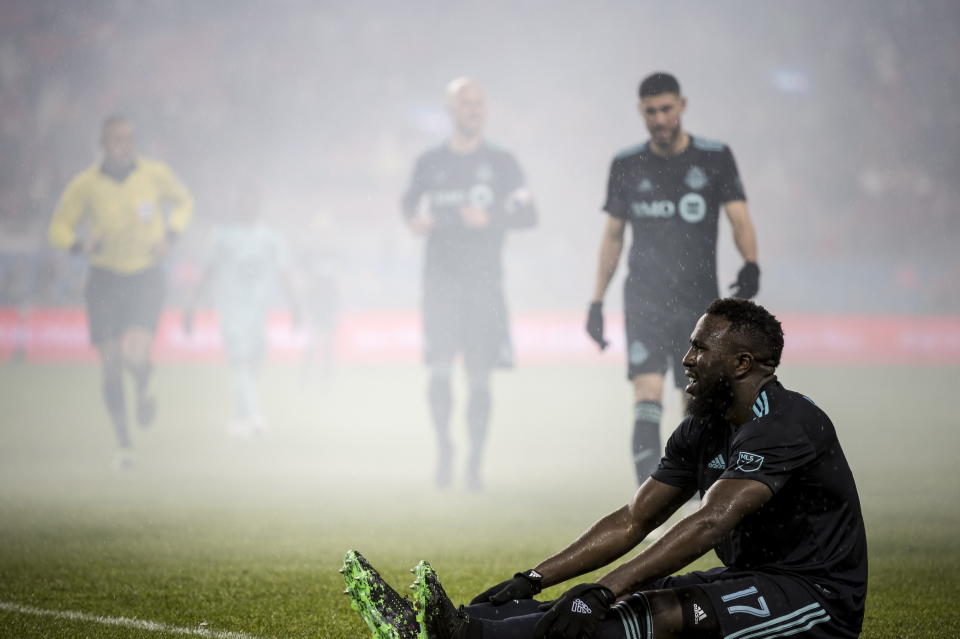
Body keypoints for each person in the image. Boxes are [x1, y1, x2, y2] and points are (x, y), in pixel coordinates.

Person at [342, 299, 868, 639]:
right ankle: (454, 629)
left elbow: (710, 522)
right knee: (629, 604)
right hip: (751, 577)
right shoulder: (703, 427)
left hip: (815, 597)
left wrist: (604, 588)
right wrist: (532, 578)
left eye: (699, 348)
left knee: (648, 616)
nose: (685, 358)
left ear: (742, 363)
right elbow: (636, 519)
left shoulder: (786, 422)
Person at [586, 72, 760, 485]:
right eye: (651, 112)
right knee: (646, 396)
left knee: (696, 402)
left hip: (699, 306)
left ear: (682, 105)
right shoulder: (627, 164)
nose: (660, 118)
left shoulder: (715, 158)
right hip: (644, 299)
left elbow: (739, 217)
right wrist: (596, 300)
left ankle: (697, 502)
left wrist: (750, 263)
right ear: (641, 113)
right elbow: (612, 236)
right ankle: (647, 508)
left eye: (666, 109)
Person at [401, 77, 537, 490]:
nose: (473, 109)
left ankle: (475, 461)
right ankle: (445, 447)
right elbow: (410, 202)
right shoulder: (430, 162)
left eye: (479, 103)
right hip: (440, 285)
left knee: (479, 378)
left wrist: (492, 218)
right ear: (450, 109)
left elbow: (529, 214)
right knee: (440, 374)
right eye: (465, 103)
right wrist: (415, 220)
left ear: (486, 110)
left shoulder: (502, 163)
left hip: (484, 288)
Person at [48, 115, 193, 468]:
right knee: (111, 364)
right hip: (105, 279)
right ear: (104, 143)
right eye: (116, 139)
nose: (124, 145)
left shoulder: (154, 174)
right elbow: (59, 227)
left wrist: (170, 236)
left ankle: (143, 385)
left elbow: (184, 201)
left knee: (133, 355)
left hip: (145, 275)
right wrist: (82, 245)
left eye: (129, 138)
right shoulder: (86, 184)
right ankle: (124, 444)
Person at [183, 183, 300, 438]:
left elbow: (283, 273)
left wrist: (295, 306)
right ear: (238, 205)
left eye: (253, 201)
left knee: (256, 359)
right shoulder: (222, 236)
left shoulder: (271, 238)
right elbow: (208, 271)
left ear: (258, 205)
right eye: (244, 201)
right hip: (231, 307)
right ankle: (255, 416)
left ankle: (239, 416)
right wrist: (192, 305)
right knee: (240, 360)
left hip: (258, 310)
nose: (249, 205)